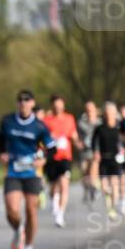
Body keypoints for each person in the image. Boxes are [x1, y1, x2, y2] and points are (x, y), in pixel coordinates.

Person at [0, 89, 54, 249]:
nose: (23, 103)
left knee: (31, 210)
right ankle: (18, 229)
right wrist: (2, 153)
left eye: (26, 100)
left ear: (32, 103)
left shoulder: (39, 126)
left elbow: (52, 147)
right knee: (12, 209)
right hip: (13, 171)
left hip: (31, 173)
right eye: (20, 100)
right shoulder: (7, 121)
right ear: (17, 103)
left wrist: (43, 160)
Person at [41, 94, 81, 227]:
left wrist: (78, 143)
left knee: (64, 184)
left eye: (60, 104)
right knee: (53, 188)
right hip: (51, 157)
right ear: (52, 105)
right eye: (55, 105)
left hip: (65, 157)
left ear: (63, 105)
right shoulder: (46, 120)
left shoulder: (70, 118)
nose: (58, 107)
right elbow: (41, 138)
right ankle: (54, 200)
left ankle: (60, 214)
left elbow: (73, 134)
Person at [94, 102, 125, 221]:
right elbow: (94, 142)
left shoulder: (118, 127)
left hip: (115, 159)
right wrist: (96, 152)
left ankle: (112, 208)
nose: (109, 115)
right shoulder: (99, 128)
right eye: (106, 113)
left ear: (115, 113)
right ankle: (109, 199)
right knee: (105, 188)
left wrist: (122, 148)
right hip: (103, 159)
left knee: (115, 186)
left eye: (111, 113)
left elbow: (123, 140)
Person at [77, 100, 102, 205]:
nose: (89, 111)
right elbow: (76, 136)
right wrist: (78, 143)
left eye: (91, 109)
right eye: (87, 109)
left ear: (95, 110)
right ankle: (88, 188)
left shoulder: (100, 122)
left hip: (96, 150)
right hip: (84, 151)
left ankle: (95, 188)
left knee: (93, 170)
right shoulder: (81, 123)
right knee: (84, 172)